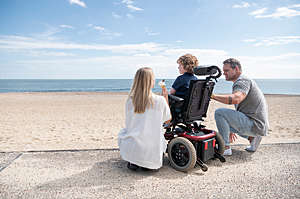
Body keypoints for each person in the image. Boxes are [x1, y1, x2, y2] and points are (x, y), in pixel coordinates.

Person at [211, 58, 269, 156]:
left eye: (226, 70)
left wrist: (213, 96)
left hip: (255, 124)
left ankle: (226, 148)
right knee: (224, 119)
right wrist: (230, 128)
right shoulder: (242, 81)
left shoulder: (242, 81)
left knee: (219, 113)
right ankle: (252, 138)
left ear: (236, 69)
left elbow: (236, 99)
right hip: (258, 125)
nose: (224, 73)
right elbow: (240, 107)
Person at [118, 67, 171, 171]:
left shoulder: (130, 100)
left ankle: (134, 159)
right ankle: (145, 162)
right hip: (152, 148)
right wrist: (166, 97)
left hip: (133, 145)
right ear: (151, 81)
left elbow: (129, 122)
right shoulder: (160, 100)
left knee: (123, 132)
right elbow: (167, 120)